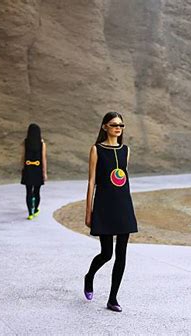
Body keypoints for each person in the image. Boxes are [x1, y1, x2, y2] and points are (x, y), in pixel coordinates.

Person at [84, 111, 138, 313]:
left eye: (121, 125)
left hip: (123, 206)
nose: (118, 128)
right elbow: (91, 182)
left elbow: (124, 179)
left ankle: (113, 298)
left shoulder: (126, 150)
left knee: (121, 255)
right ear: (104, 126)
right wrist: (88, 210)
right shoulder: (96, 149)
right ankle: (89, 277)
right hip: (104, 207)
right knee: (106, 254)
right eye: (114, 124)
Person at [20, 124, 47, 220]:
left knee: (28, 192)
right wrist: (44, 172)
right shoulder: (42, 143)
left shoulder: (25, 142)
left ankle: (29, 213)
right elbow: (43, 159)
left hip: (28, 169)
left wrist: (23, 168)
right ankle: (35, 209)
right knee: (37, 191)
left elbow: (23, 157)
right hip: (37, 169)